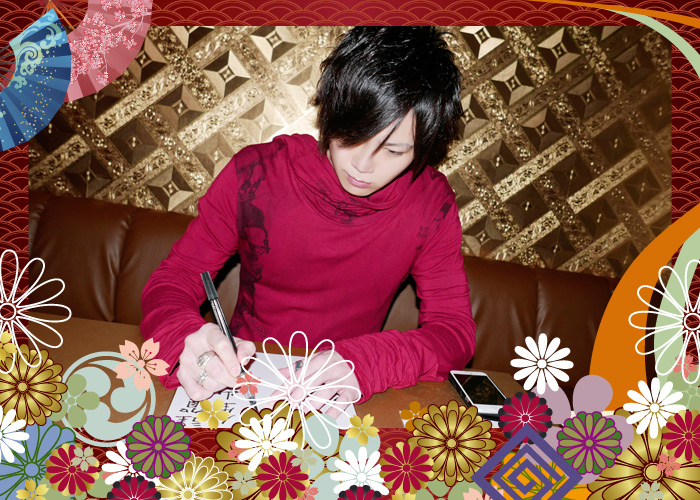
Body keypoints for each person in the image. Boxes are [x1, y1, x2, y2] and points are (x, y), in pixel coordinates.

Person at [140, 26, 477, 417]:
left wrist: (366, 364)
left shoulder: (431, 206)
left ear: (423, 148)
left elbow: (454, 331)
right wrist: (185, 336)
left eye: (394, 150)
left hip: (344, 392)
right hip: (241, 378)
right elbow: (175, 279)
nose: (362, 165)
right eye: (352, 135)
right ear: (331, 111)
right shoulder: (256, 174)